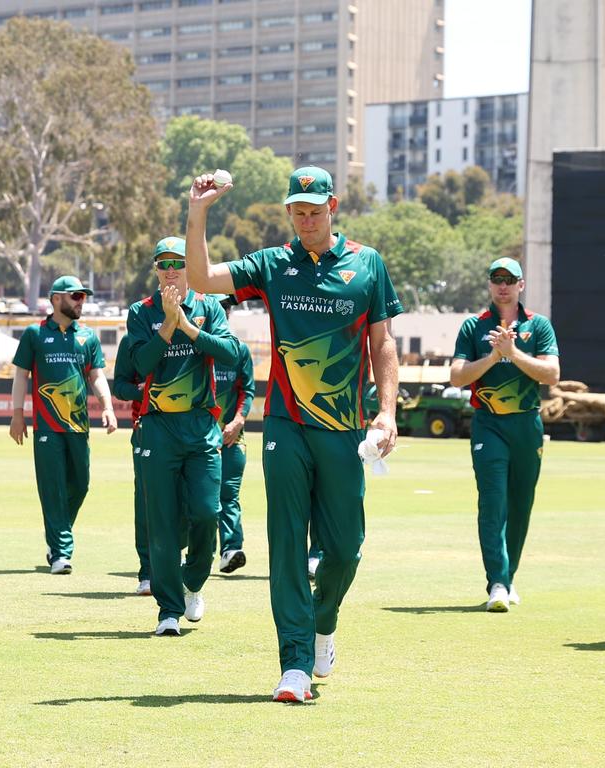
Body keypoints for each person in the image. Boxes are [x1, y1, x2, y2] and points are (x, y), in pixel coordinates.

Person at [186, 166, 403, 704]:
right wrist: (198, 212)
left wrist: (388, 412)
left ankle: (323, 620)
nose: (306, 220)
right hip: (285, 425)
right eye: (297, 211)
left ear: (333, 206)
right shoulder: (272, 264)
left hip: (343, 431)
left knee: (347, 548)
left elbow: (383, 345)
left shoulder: (367, 264)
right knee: (286, 547)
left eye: (314, 210)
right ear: (288, 212)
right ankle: (295, 666)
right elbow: (201, 280)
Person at [125, 236, 240, 637]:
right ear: (156, 269)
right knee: (162, 522)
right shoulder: (140, 313)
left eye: (178, 262)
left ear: (190, 266)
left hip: (200, 426)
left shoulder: (209, 307)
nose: (171, 270)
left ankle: (194, 582)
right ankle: (168, 610)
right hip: (158, 427)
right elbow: (139, 364)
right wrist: (167, 325)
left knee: (207, 512)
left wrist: (187, 327)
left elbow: (230, 354)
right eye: (163, 263)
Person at [450, 257, 560, 613]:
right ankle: (497, 581)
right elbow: (457, 376)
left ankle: (508, 576)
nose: (503, 286)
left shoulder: (538, 326)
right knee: (493, 499)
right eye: (497, 279)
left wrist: (513, 353)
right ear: (490, 284)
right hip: (489, 423)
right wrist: (494, 357)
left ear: (521, 285)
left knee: (520, 503)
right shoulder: (473, 326)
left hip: (527, 424)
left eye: (509, 280)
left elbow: (551, 374)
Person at [9, 276, 117, 574]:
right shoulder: (34, 334)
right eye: (76, 296)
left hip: (78, 428)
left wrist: (106, 407)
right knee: (52, 489)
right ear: (56, 299)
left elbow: (96, 376)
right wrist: (17, 413)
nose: (82, 301)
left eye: (83, 297)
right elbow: (21, 376)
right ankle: (60, 553)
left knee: (80, 485)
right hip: (46, 429)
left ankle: (58, 533)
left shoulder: (88, 337)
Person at [211, 294, 255, 574]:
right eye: (219, 307)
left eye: (227, 308)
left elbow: (247, 391)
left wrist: (238, 420)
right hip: (199, 438)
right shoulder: (194, 347)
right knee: (198, 498)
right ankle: (193, 550)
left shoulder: (239, 350)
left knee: (229, 494)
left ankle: (231, 549)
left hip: (232, 437)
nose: (224, 312)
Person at [112, 333, 151, 595]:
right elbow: (120, 386)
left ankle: (181, 559)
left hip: (190, 430)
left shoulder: (197, 328)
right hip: (145, 428)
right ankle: (148, 572)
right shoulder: (133, 337)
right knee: (146, 501)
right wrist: (141, 390)